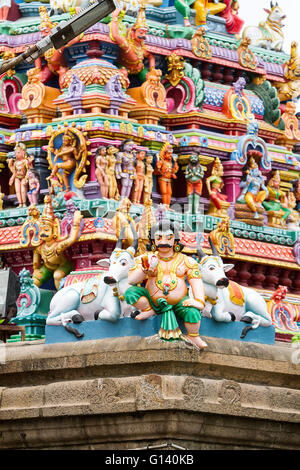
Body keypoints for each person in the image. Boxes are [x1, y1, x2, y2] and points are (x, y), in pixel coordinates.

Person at [125, 220, 207, 350]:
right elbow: (131, 280)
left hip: (180, 302)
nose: (164, 242)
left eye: (169, 238)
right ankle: (148, 310)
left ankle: (193, 335)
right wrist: (145, 270)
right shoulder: (145, 259)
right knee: (130, 293)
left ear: (175, 240)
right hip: (153, 301)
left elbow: (196, 282)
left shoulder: (186, 260)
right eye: (159, 238)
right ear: (153, 241)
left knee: (193, 312)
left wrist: (199, 302)